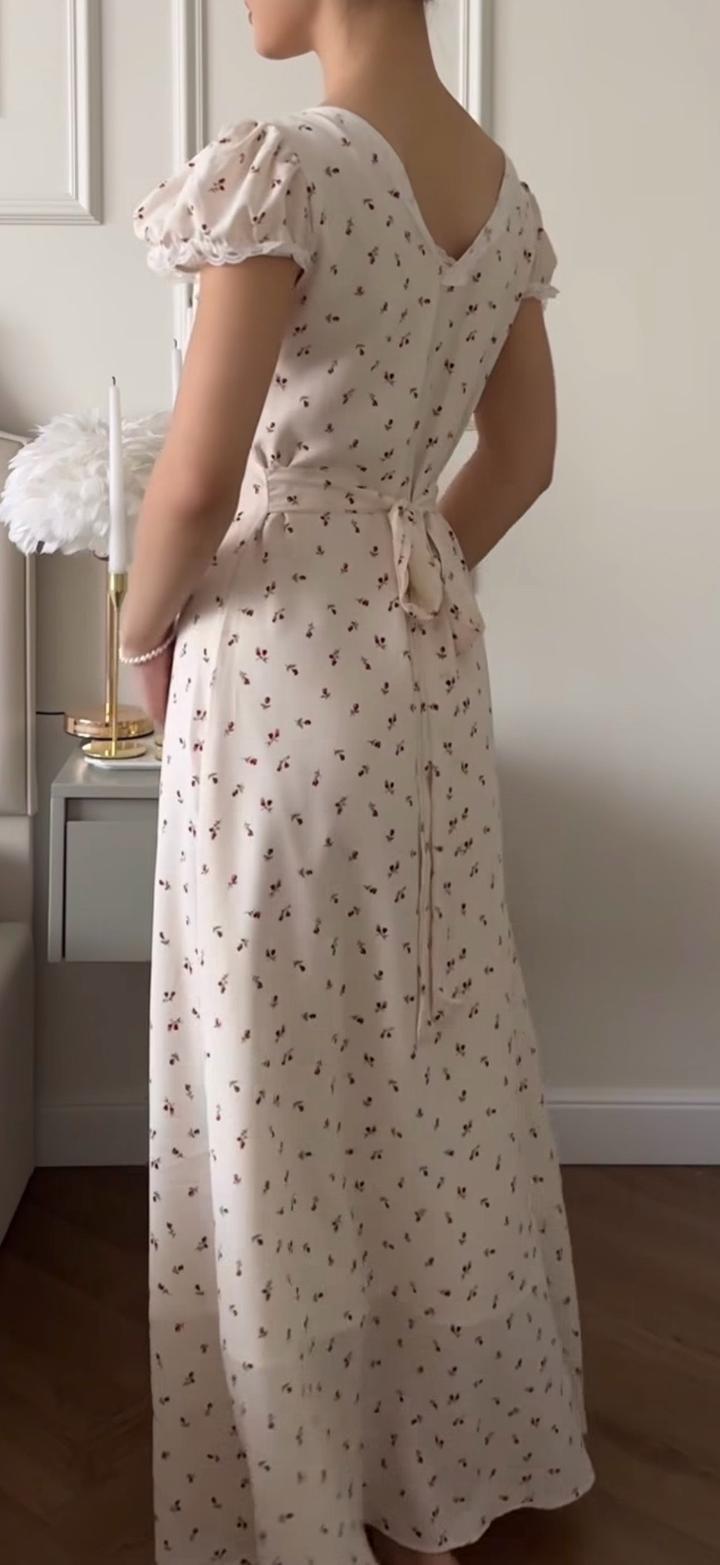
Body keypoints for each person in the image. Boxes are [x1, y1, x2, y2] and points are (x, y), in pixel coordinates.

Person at [121, 2, 595, 1561]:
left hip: (272, 672)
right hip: (423, 673)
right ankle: (430, 1462)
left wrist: (136, 637)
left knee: (271, 1072)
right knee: (419, 1060)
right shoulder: (498, 193)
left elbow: (197, 481)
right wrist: (410, 555)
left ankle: (301, 1497)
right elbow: (522, 456)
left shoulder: (296, 166)